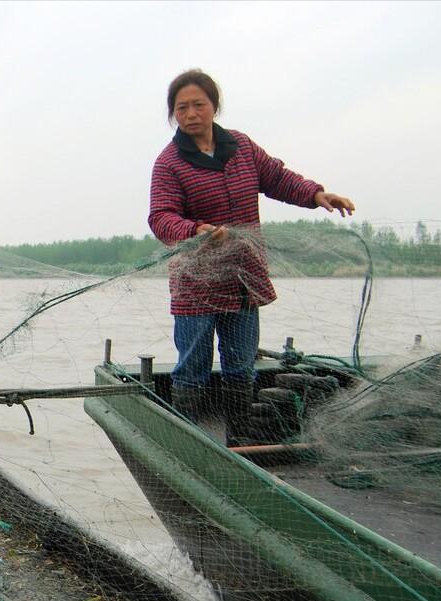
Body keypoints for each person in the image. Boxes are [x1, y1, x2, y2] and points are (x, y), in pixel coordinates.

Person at [147, 69, 354, 444]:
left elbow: (278, 178)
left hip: (243, 279)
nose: (191, 114)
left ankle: (240, 440)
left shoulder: (241, 146)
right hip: (196, 284)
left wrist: (316, 195)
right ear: (173, 114)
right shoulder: (169, 163)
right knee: (192, 366)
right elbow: (161, 217)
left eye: (199, 105)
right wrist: (194, 231)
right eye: (182, 108)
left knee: (240, 365)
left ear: (214, 106)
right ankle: (190, 444)